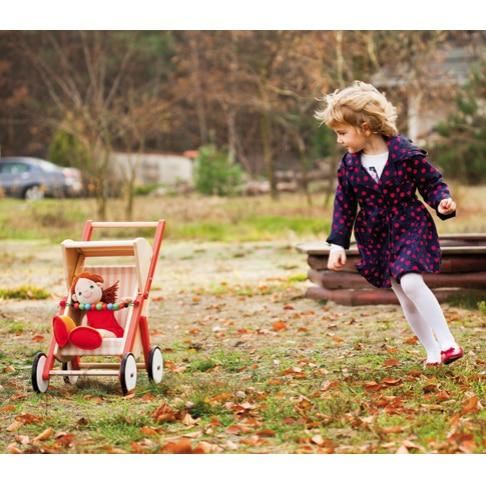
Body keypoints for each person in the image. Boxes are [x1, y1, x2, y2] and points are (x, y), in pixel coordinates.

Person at [314, 81, 463, 367]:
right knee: (404, 297)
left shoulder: (405, 154)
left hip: (410, 224)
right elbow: (344, 205)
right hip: (375, 234)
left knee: (411, 281)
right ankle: (432, 352)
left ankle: (448, 343)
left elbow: (431, 183)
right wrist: (337, 244)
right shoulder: (349, 165)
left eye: (342, 132)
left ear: (366, 126)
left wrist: (442, 201)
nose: (339, 140)